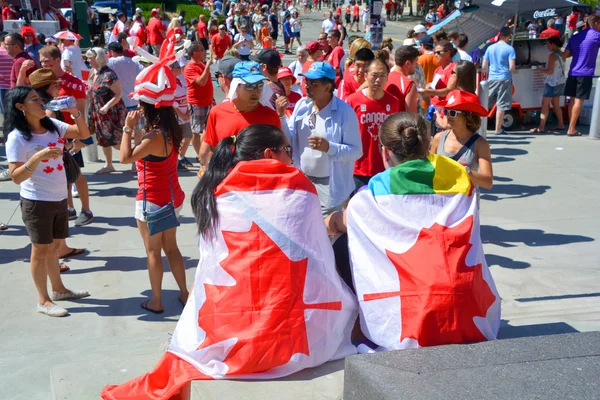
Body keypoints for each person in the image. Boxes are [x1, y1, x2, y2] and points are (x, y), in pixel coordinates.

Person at [5, 86, 91, 317]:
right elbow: (15, 177)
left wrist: (76, 112)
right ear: (20, 107)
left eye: (40, 98)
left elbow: (83, 134)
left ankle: (59, 290)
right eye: (34, 99)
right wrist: (37, 157)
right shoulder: (17, 138)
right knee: (40, 251)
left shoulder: (53, 127)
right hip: (37, 202)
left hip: (58, 197)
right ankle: (43, 300)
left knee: (53, 248)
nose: (41, 102)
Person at [121, 56, 188, 314]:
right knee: (172, 247)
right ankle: (184, 293)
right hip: (173, 196)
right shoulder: (171, 129)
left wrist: (127, 129)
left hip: (152, 200)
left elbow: (126, 157)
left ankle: (157, 301)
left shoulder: (153, 136)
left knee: (153, 252)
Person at [288, 62, 362, 217]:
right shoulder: (302, 105)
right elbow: (288, 138)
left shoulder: (345, 112)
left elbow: (356, 151)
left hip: (329, 186)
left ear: (328, 87)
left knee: (323, 231)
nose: (307, 87)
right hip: (303, 180)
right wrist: (281, 116)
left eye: (313, 84)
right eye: (306, 82)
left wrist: (329, 147)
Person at [39, 46, 94, 227]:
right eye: (41, 61)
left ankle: (86, 210)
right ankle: (69, 208)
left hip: (71, 134)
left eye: (46, 61)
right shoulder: (43, 81)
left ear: (57, 60)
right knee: (63, 175)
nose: (43, 64)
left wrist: (80, 139)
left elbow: (81, 110)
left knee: (76, 174)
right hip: (54, 135)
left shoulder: (73, 83)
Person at [199, 61, 282, 169]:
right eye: (250, 86)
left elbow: (278, 153)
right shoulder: (217, 112)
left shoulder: (270, 116)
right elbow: (210, 149)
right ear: (236, 86)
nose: (256, 91)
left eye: (260, 85)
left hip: (259, 181)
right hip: (227, 181)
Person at [347, 58, 399, 189]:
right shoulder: (353, 100)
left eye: (382, 76)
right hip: (358, 167)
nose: (378, 80)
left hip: (384, 166)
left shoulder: (393, 102)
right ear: (365, 76)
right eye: (374, 75)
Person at [431, 89, 493, 192]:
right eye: (446, 111)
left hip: (465, 203)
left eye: (453, 112)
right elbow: (430, 171)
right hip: (441, 201)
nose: (447, 115)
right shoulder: (438, 138)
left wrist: (465, 171)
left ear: (468, 116)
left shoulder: (480, 144)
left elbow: (487, 182)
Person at [85, 47, 127, 174]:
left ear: (98, 58)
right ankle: (109, 165)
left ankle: (137, 158)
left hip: (112, 113)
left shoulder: (109, 74)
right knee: (103, 139)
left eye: (90, 57)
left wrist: (107, 106)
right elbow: (90, 88)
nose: (88, 60)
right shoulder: (93, 72)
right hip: (97, 112)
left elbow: (118, 94)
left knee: (116, 142)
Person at [563, 14, 600, 137]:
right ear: (596, 23)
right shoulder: (597, 36)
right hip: (585, 73)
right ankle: (572, 128)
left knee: (572, 100)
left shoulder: (576, 37)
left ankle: (571, 126)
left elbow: (566, 55)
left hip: (573, 72)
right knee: (579, 101)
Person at [482, 27, 516, 135]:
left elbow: (484, 66)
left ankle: (478, 127)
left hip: (492, 78)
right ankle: (498, 129)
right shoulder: (510, 49)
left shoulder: (490, 48)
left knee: (484, 103)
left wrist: (489, 73)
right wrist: (507, 73)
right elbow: (512, 67)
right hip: (505, 78)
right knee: (501, 105)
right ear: (508, 36)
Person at [184, 42, 214, 161]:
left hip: (207, 102)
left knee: (205, 130)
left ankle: (203, 154)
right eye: (202, 49)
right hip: (197, 103)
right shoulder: (190, 67)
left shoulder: (200, 64)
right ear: (195, 53)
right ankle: (200, 156)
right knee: (197, 131)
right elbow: (201, 82)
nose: (204, 51)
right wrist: (207, 67)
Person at [530, 36, 566, 134]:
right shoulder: (562, 54)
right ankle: (561, 124)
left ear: (553, 44)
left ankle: (541, 127)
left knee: (545, 105)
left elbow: (550, 72)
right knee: (556, 104)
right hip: (560, 82)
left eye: (548, 44)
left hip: (552, 83)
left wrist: (539, 69)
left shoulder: (552, 56)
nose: (547, 46)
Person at [385, 45, 419, 112]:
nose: (417, 64)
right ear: (408, 63)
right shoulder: (409, 84)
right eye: (416, 62)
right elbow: (411, 116)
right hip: (399, 121)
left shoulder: (384, 78)